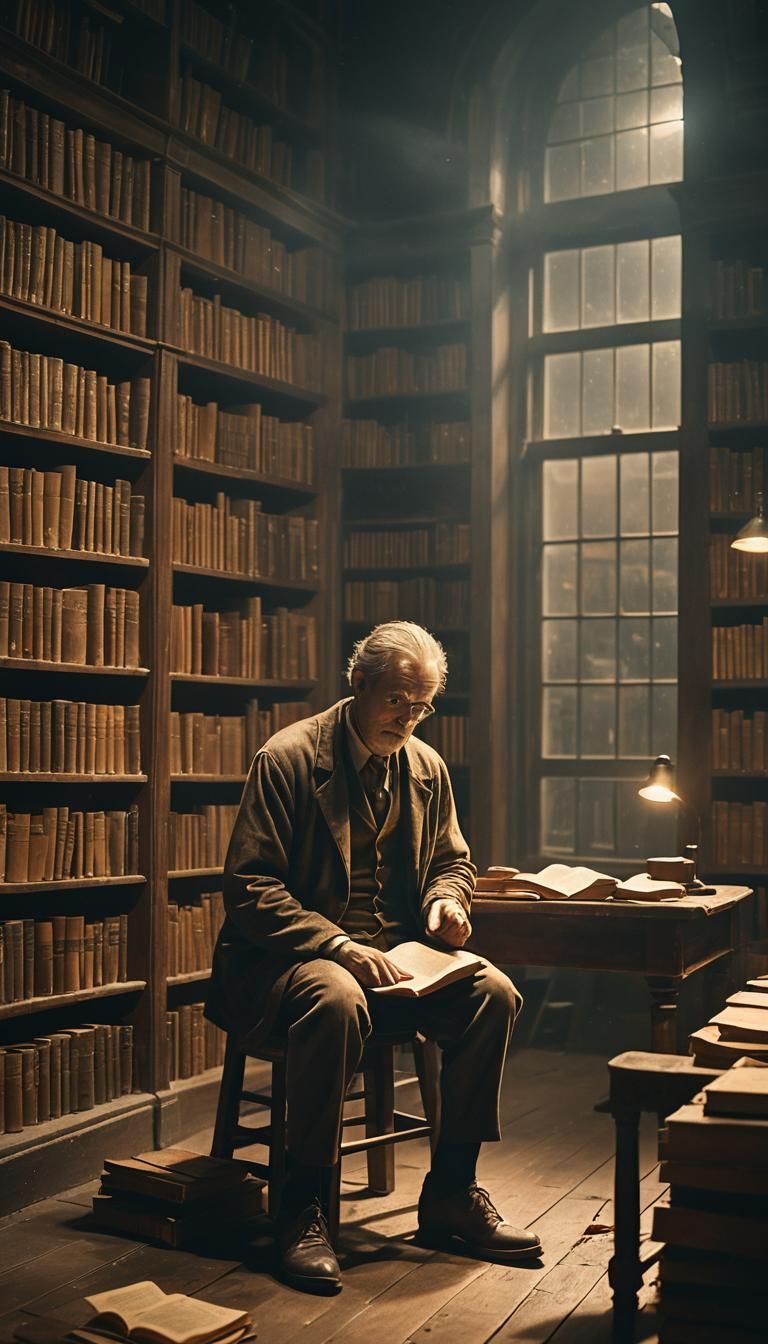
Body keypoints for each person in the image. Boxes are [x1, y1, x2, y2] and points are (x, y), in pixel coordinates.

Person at [206, 621, 541, 1293]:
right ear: (359, 684)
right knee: (336, 996)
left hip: (397, 961)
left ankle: (451, 1190)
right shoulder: (290, 758)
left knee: (495, 993)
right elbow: (249, 887)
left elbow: (453, 861)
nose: (409, 718)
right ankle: (303, 1209)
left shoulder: (426, 766)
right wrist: (336, 943)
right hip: (289, 959)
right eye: (397, 700)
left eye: (421, 706)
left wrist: (450, 903)